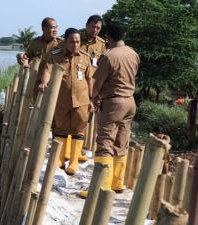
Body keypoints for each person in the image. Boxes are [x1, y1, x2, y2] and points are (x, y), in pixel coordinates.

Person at [80, 21, 140, 198]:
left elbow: (97, 83)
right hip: (130, 101)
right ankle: (117, 182)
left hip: (114, 102)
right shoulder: (133, 53)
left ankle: (101, 185)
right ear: (124, 35)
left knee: (105, 142)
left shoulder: (108, 56)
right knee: (122, 141)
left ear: (107, 36)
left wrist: (93, 98)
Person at [39, 28, 92, 176]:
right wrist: (44, 83)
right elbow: (47, 71)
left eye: (77, 41)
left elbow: (89, 79)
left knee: (79, 129)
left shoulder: (86, 57)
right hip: (61, 99)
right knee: (61, 128)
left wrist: (93, 98)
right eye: (72, 41)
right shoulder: (55, 56)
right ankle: (60, 159)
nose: (75, 44)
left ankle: (74, 162)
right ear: (65, 42)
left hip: (81, 100)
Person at [77, 14, 107, 163]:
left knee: (87, 116)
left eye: (98, 28)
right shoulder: (75, 39)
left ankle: (81, 147)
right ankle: (69, 145)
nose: (95, 30)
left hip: (92, 85)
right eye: (93, 27)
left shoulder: (101, 44)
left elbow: (102, 65)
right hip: (76, 83)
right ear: (86, 25)